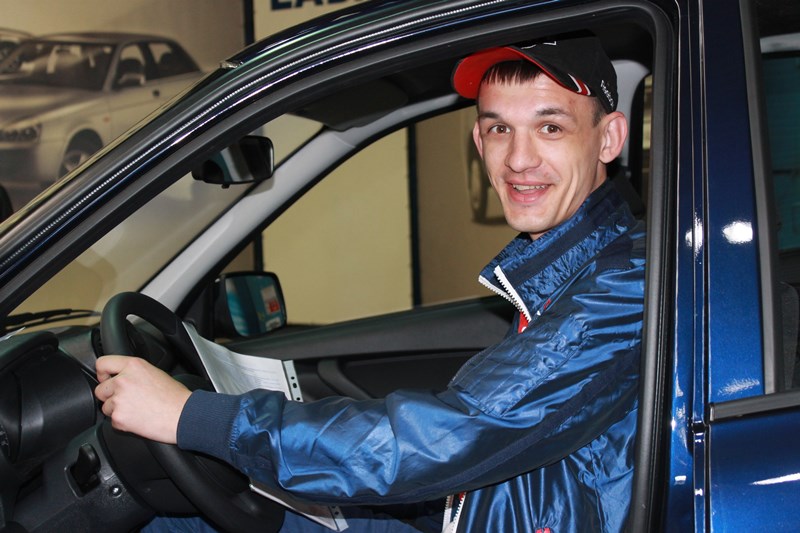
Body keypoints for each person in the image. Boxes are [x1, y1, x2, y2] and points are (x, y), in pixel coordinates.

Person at [95, 34, 645, 533]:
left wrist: (192, 417)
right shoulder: (572, 267)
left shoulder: (621, 285)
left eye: (551, 127)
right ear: (479, 141)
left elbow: (447, 437)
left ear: (609, 139)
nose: (519, 160)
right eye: (500, 128)